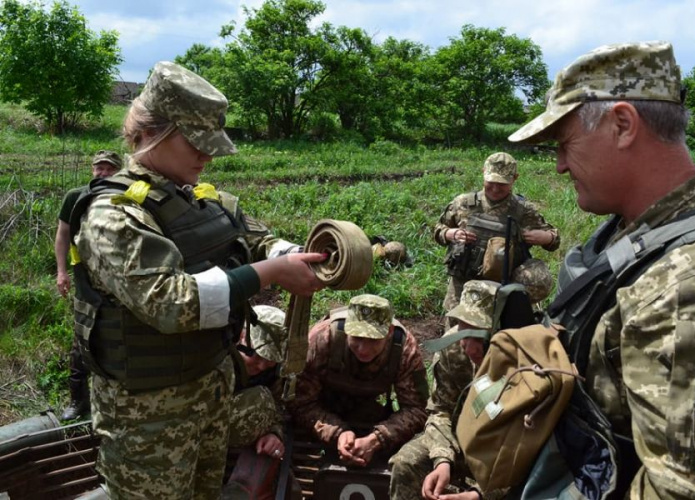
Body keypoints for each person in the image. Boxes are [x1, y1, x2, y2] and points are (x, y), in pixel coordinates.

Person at [70, 61, 326, 499]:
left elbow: (253, 236)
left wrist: (287, 254)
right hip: (148, 414)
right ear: (154, 133)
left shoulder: (198, 196)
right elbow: (171, 303)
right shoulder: (114, 215)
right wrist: (269, 274)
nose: (207, 156)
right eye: (196, 143)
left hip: (209, 391)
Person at [508, 41, 695, 498]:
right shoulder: (636, 233)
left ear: (622, 125)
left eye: (565, 143)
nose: (559, 165)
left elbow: (688, 490)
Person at [389, 280, 504, 500]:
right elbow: (440, 412)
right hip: (459, 441)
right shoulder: (452, 347)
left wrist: (479, 494)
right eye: (462, 328)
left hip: (503, 455)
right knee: (406, 464)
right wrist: (442, 459)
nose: (466, 345)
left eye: (477, 333)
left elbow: (527, 445)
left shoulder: (521, 358)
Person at [289, 294, 429, 468]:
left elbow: (417, 409)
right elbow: (300, 402)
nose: (363, 349)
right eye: (356, 338)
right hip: (322, 406)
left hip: (371, 414)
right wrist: (337, 432)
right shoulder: (322, 339)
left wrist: (378, 439)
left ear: (389, 332)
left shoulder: (404, 350)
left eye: (373, 340)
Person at [434, 152, 559, 316]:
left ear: (515, 178)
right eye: (491, 182)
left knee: (501, 336)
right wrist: (449, 233)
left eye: (502, 184)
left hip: (504, 287)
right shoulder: (463, 203)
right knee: (456, 336)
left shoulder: (523, 211)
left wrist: (546, 238)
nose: (495, 188)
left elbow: (554, 241)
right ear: (483, 173)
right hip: (464, 284)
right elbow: (438, 230)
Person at [55, 149, 122, 421]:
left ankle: (115, 402)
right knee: (82, 341)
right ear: (92, 170)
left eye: (109, 169)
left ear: (119, 171)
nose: (103, 173)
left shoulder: (127, 197)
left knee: (118, 340)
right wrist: (62, 272)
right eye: (99, 168)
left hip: (119, 284)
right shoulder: (76, 197)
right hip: (85, 280)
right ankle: (77, 401)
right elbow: (62, 235)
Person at [224, 305, 288, 500]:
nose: (262, 365)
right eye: (257, 355)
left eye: (270, 360)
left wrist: (274, 433)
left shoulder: (275, 372)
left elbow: (279, 407)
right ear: (242, 336)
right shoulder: (217, 357)